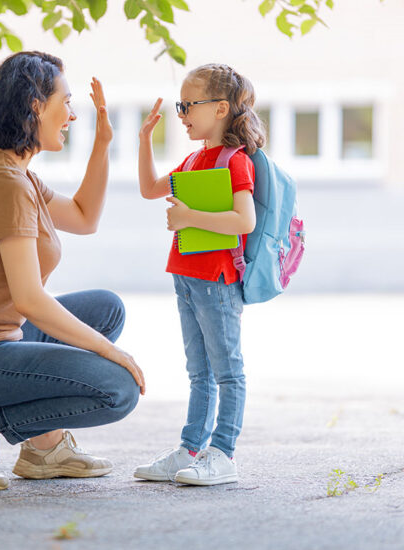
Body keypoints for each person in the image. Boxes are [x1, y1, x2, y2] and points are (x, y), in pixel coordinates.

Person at [0, 51, 145, 492]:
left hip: (1, 341)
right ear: (34, 105)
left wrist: (103, 145)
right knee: (117, 389)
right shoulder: (5, 182)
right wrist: (110, 353)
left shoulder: (17, 173)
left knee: (107, 309)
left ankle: (43, 449)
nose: (73, 114)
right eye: (65, 101)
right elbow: (29, 299)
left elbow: (84, 217)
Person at [134, 63, 265, 486]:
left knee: (227, 369)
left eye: (189, 105)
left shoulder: (235, 161)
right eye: (181, 105)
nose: (182, 113)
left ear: (222, 108)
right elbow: (150, 189)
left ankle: (222, 453)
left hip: (217, 279)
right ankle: (191, 449)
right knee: (198, 371)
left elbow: (243, 221)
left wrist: (190, 215)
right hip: (187, 276)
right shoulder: (193, 159)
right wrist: (143, 140)